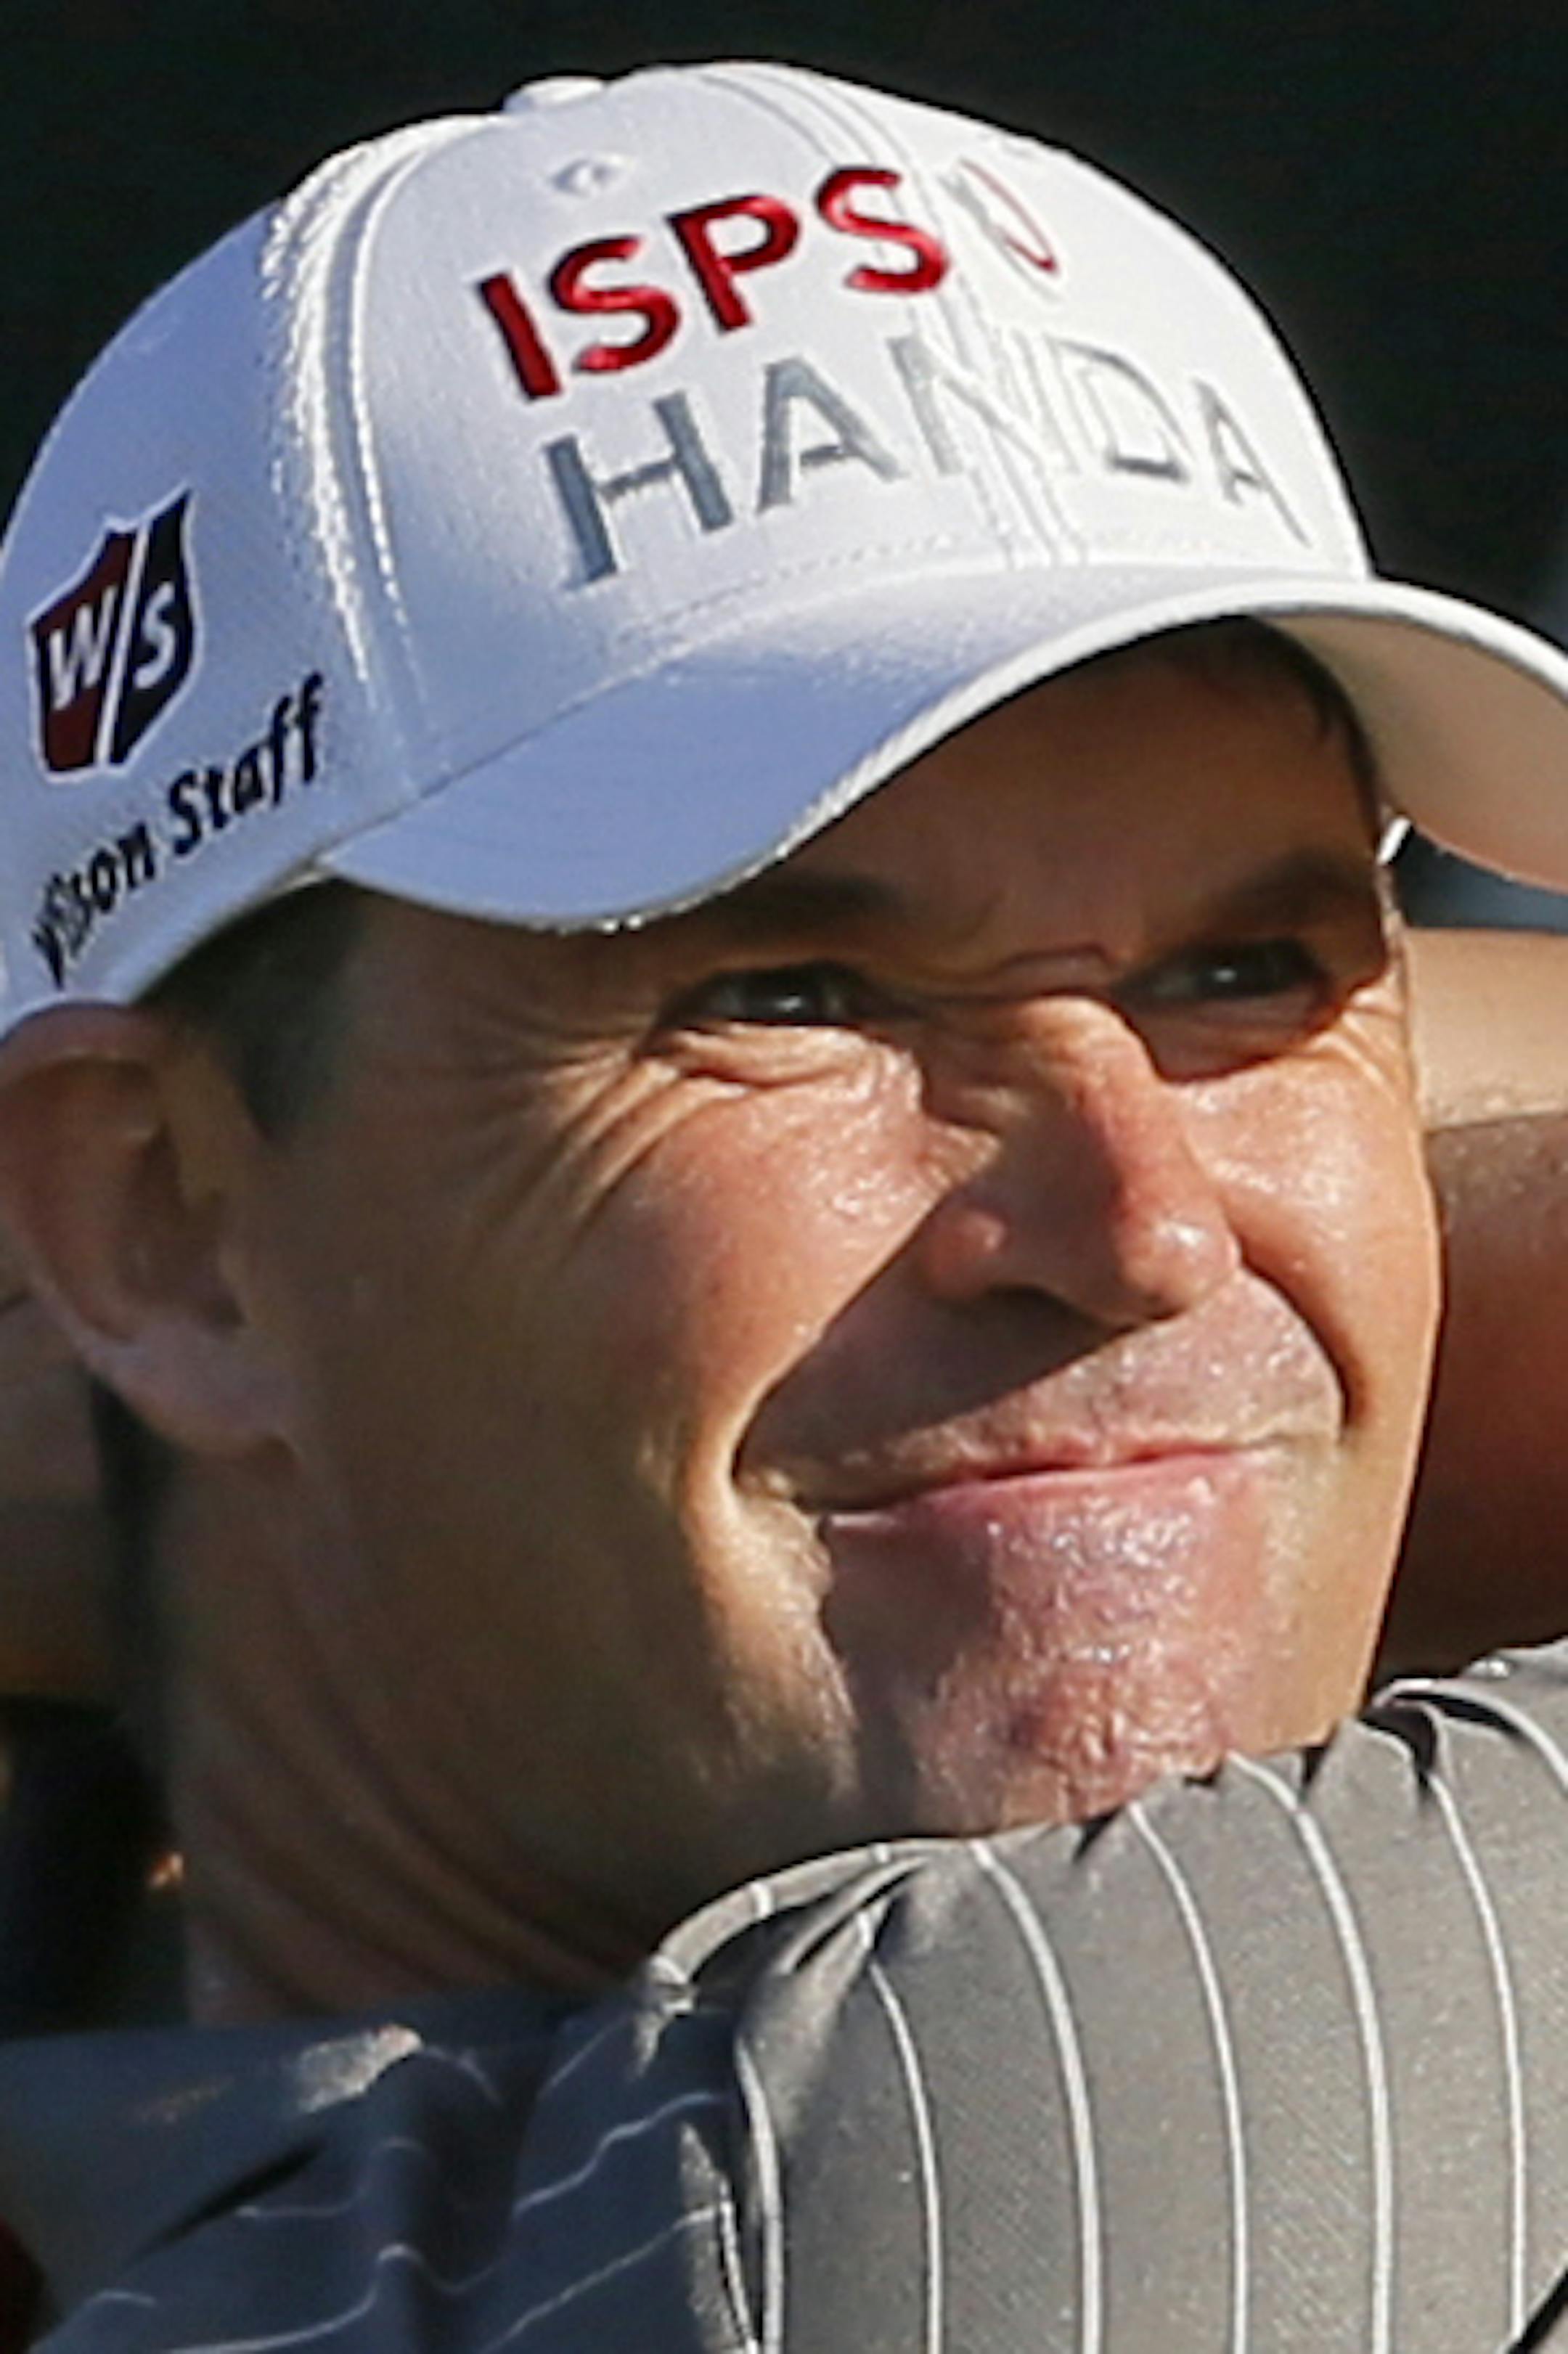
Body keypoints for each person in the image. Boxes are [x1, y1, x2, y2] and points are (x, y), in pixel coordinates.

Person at [4, 55, 1568, 2350]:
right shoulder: (946, 2141)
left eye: (1254, 965)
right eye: (796, 987)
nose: (1140, 1223)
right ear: (158, 1217)